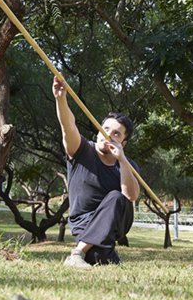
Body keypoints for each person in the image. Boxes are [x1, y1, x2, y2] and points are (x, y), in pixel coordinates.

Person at [53, 76, 140, 268]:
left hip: (115, 226)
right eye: (106, 128)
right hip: (83, 224)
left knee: (117, 197)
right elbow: (68, 126)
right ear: (98, 131)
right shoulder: (82, 150)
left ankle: (78, 253)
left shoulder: (127, 164)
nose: (109, 134)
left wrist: (122, 160)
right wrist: (61, 99)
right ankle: (94, 252)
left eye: (116, 133)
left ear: (123, 142)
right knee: (100, 258)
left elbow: (131, 196)